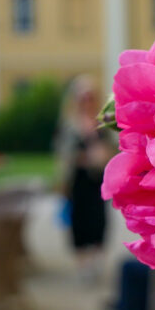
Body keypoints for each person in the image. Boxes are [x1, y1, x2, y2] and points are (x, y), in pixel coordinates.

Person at [55, 76, 113, 282]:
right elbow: (62, 154)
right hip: (78, 180)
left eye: (90, 97)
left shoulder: (103, 122)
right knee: (79, 221)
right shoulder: (70, 124)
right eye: (83, 98)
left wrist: (102, 156)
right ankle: (82, 264)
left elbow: (112, 148)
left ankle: (96, 260)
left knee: (99, 220)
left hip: (97, 179)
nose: (87, 102)